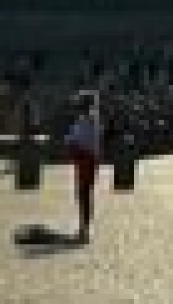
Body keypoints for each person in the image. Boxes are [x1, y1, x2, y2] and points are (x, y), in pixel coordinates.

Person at [65, 90, 102, 245]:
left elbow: (84, 140)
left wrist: (72, 142)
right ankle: (83, 227)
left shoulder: (88, 120)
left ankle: (84, 228)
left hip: (86, 158)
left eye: (80, 103)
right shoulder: (87, 119)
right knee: (83, 193)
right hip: (85, 159)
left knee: (84, 193)